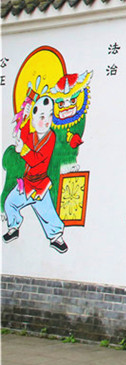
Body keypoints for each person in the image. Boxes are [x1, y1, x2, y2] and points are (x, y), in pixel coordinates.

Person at [3, 95, 68, 253]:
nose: (46, 121)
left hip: (40, 185)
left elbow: (37, 159)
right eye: (42, 117)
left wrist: (23, 150)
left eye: (49, 115)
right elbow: (24, 135)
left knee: (48, 213)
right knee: (9, 203)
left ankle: (56, 237)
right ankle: (13, 227)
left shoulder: (50, 137)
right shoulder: (32, 136)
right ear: (34, 118)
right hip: (26, 184)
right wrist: (25, 117)